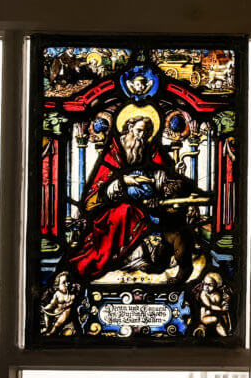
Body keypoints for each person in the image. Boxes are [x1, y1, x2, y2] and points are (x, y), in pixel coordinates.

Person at [69, 106, 191, 279]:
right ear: (129, 128)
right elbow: (99, 186)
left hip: (149, 203)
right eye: (140, 131)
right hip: (113, 205)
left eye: (147, 132)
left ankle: (145, 255)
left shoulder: (150, 148)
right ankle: (115, 256)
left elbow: (165, 175)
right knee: (125, 211)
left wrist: (175, 172)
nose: (143, 136)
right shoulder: (115, 149)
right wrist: (122, 182)